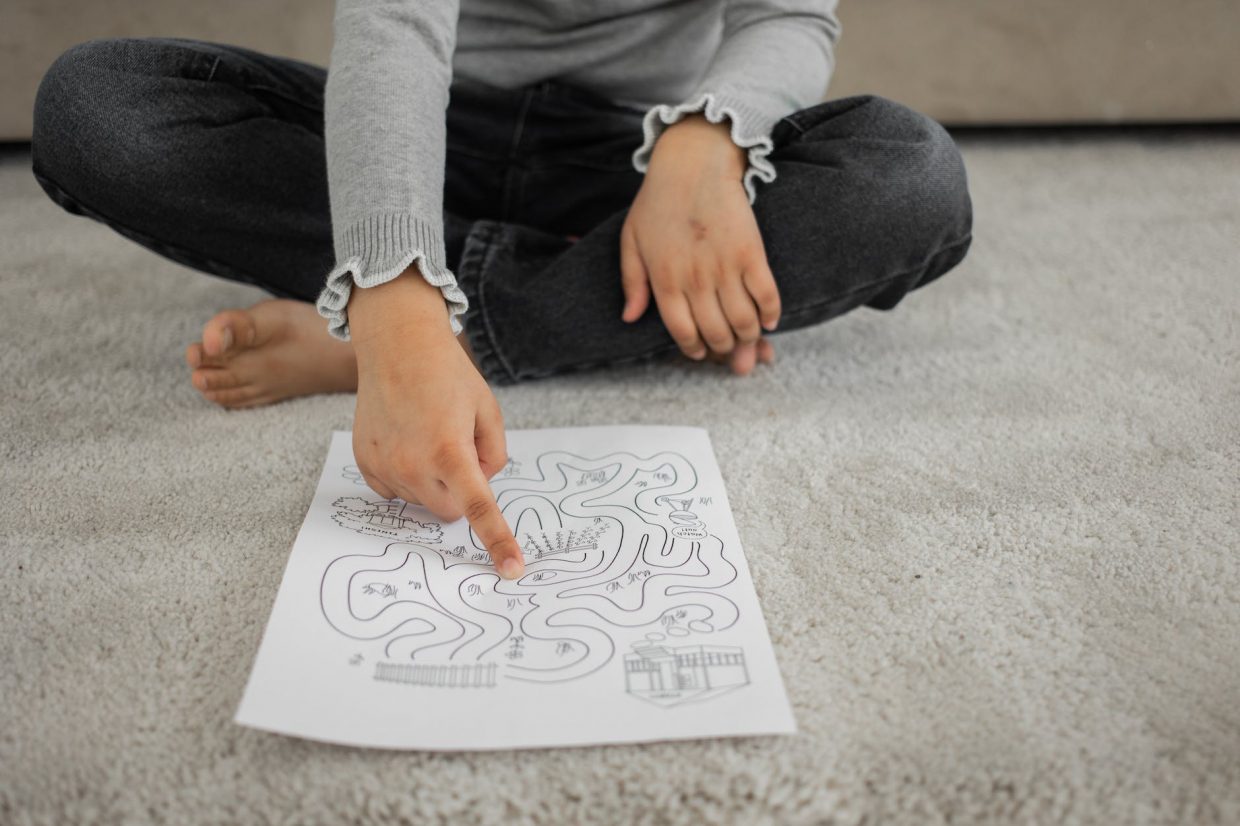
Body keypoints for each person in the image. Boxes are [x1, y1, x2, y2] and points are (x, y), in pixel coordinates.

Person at [30, 0, 973, 581]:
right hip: (430, 135)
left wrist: (705, 146)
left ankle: (433, 331)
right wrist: (396, 300)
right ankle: (479, 305)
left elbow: (787, 14)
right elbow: (393, 26)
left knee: (910, 180)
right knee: (96, 107)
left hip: (638, 159)